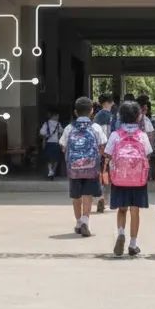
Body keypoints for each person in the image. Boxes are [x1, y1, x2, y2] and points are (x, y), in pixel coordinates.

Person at [103, 99, 151, 256]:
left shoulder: (115, 135)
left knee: (122, 209)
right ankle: (133, 244)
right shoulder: (142, 136)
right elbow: (148, 154)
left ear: (120, 116)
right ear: (138, 117)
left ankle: (121, 233)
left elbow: (108, 154)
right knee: (135, 210)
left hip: (120, 178)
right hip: (138, 179)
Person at [59, 97, 106, 236]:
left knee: (76, 196)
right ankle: (85, 220)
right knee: (88, 194)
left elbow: (63, 147)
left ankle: (78, 222)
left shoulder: (69, 128)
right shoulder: (95, 127)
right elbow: (102, 146)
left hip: (74, 169)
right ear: (92, 111)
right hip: (91, 168)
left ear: (75, 112)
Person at [92, 92, 115, 212]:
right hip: (105, 148)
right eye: (112, 102)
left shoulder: (97, 116)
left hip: (97, 148)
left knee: (100, 173)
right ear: (108, 103)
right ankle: (103, 198)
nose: (113, 104)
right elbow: (107, 132)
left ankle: (100, 197)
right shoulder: (107, 115)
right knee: (106, 174)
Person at [38, 111, 64, 180]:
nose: (58, 117)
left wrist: (46, 136)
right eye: (57, 116)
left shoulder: (46, 124)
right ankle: (53, 171)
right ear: (54, 116)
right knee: (56, 159)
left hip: (49, 143)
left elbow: (42, 132)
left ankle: (50, 170)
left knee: (48, 159)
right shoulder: (58, 124)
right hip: (56, 143)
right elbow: (62, 132)